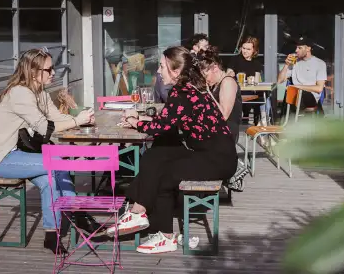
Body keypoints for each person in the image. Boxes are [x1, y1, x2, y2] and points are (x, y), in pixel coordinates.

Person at [105, 46, 238, 254]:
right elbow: (166, 121)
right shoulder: (187, 88)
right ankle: (137, 210)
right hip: (204, 152)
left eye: (161, 66)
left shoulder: (183, 92)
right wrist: (139, 121)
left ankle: (165, 236)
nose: (158, 71)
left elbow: (159, 126)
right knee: (158, 153)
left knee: (166, 174)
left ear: (175, 71)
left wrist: (136, 122)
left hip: (218, 159)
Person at [0, 49, 103, 254]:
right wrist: (78, 121)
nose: (53, 73)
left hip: (23, 156)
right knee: (57, 161)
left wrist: (80, 119)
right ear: (33, 72)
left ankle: (52, 235)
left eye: (53, 68)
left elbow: (56, 117)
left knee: (50, 179)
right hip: (3, 158)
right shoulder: (20, 93)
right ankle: (79, 214)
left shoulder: (39, 91)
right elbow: (45, 128)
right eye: (49, 69)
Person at [197, 47, 247, 191]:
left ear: (215, 68)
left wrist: (206, 92)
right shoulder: (217, 84)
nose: (204, 78)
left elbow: (223, 114)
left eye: (204, 74)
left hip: (226, 132)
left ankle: (232, 168)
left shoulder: (227, 82)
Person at [275, 37, 327, 121]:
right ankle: (286, 122)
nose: (296, 50)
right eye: (296, 47)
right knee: (290, 92)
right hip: (295, 95)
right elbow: (280, 80)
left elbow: (319, 88)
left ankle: (289, 122)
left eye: (299, 48)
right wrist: (286, 65)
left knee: (297, 93)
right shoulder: (294, 62)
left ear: (308, 48)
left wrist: (297, 87)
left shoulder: (320, 64)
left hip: (310, 97)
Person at [226, 36, 264, 125]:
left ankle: (261, 121)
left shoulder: (256, 63)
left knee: (266, 96)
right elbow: (228, 73)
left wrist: (255, 80)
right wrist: (231, 73)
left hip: (250, 92)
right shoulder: (235, 59)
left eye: (248, 49)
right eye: (243, 48)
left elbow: (257, 81)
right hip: (236, 92)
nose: (245, 51)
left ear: (254, 50)